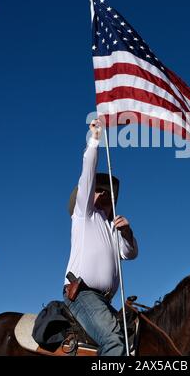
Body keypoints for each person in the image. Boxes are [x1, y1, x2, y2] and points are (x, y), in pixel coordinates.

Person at [63, 119, 138, 356]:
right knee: (114, 341)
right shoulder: (84, 215)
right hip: (82, 294)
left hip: (104, 300)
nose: (103, 192)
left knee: (133, 339)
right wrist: (94, 141)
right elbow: (87, 178)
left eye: (107, 192)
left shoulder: (111, 227)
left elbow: (130, 253)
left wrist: (127, 231)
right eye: (99, 189)